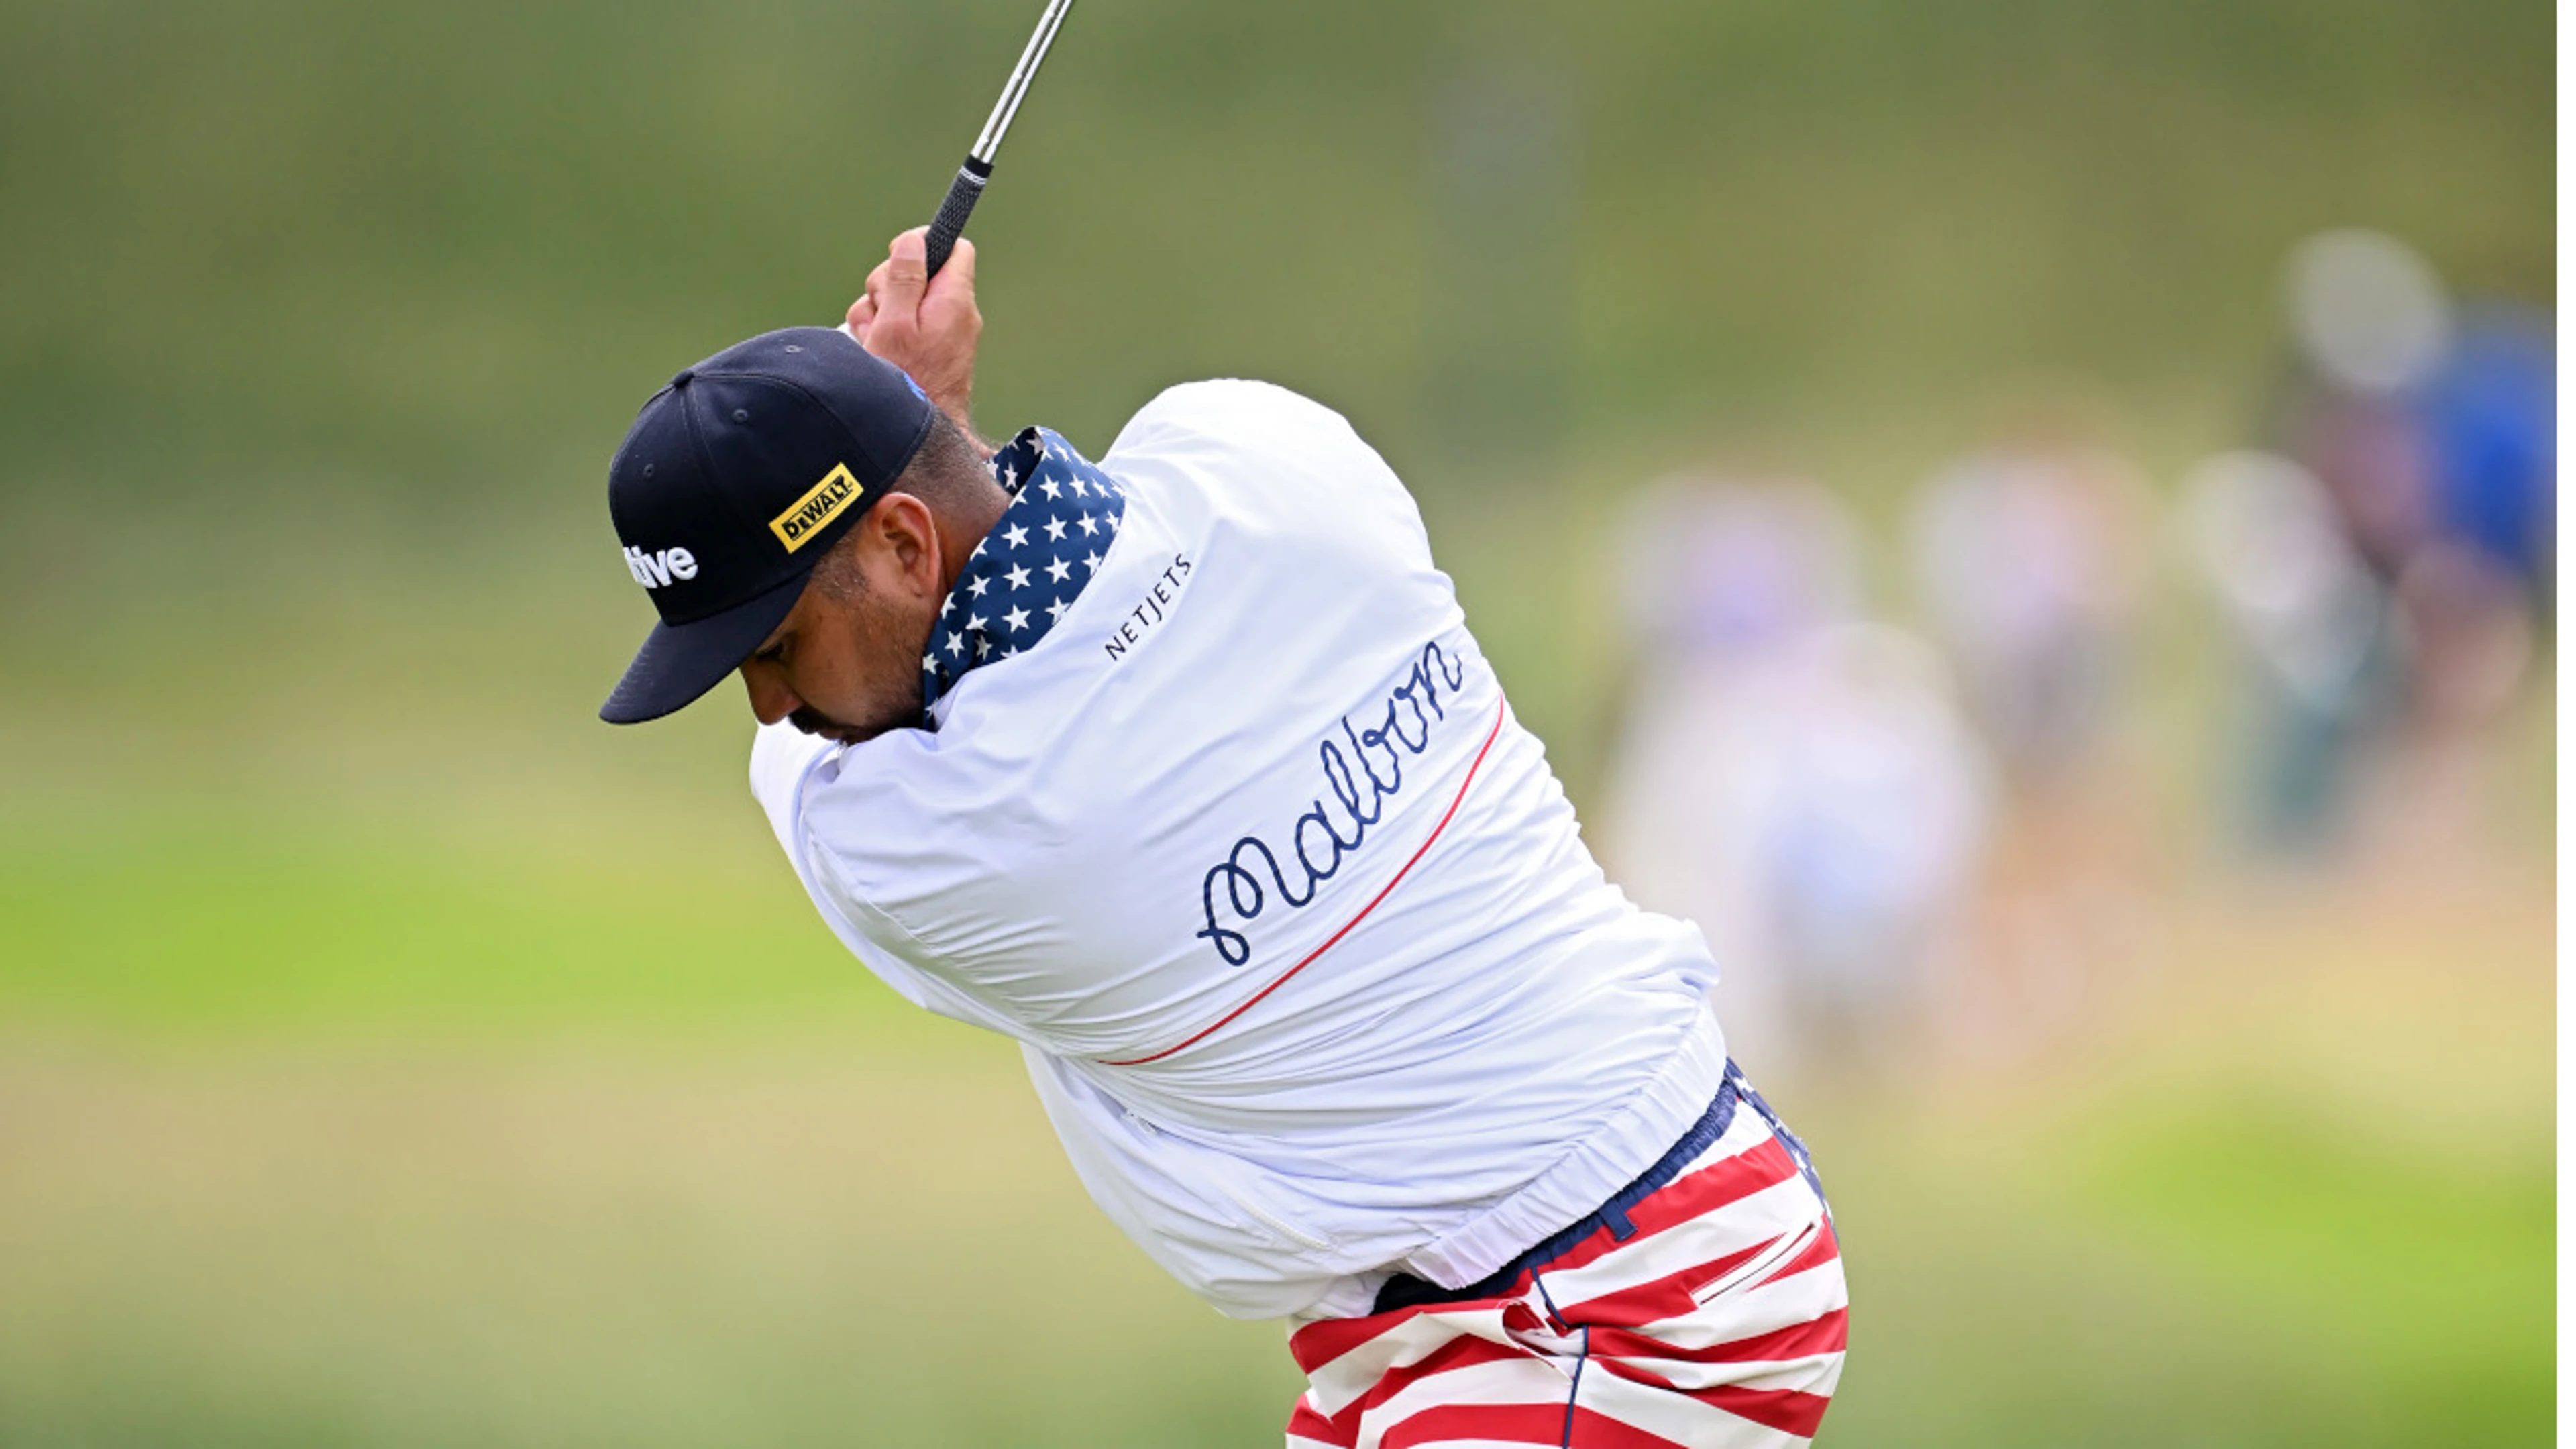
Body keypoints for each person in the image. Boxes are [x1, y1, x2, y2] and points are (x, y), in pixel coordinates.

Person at [596, 228, 1848, 1447]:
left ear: (904, 544)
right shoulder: (1271, 452)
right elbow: (1053, 560)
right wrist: (918, 421)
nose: (770, 705)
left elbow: (852, 742)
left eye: (774, 647)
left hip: (1622, 1310)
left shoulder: (937, 844)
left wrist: (909, 416)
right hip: (1616, 1243)